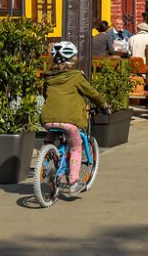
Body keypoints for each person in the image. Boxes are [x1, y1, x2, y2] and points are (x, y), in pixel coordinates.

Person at [40, 41, 109, 194]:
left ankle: (46, 160)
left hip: (48, 119)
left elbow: (45, 95)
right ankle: (73, 182)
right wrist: (104, 105)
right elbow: (92, 93)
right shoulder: (76, 76)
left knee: (51, 136)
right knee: (76, 147)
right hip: (69, 121)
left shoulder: (48, 78)